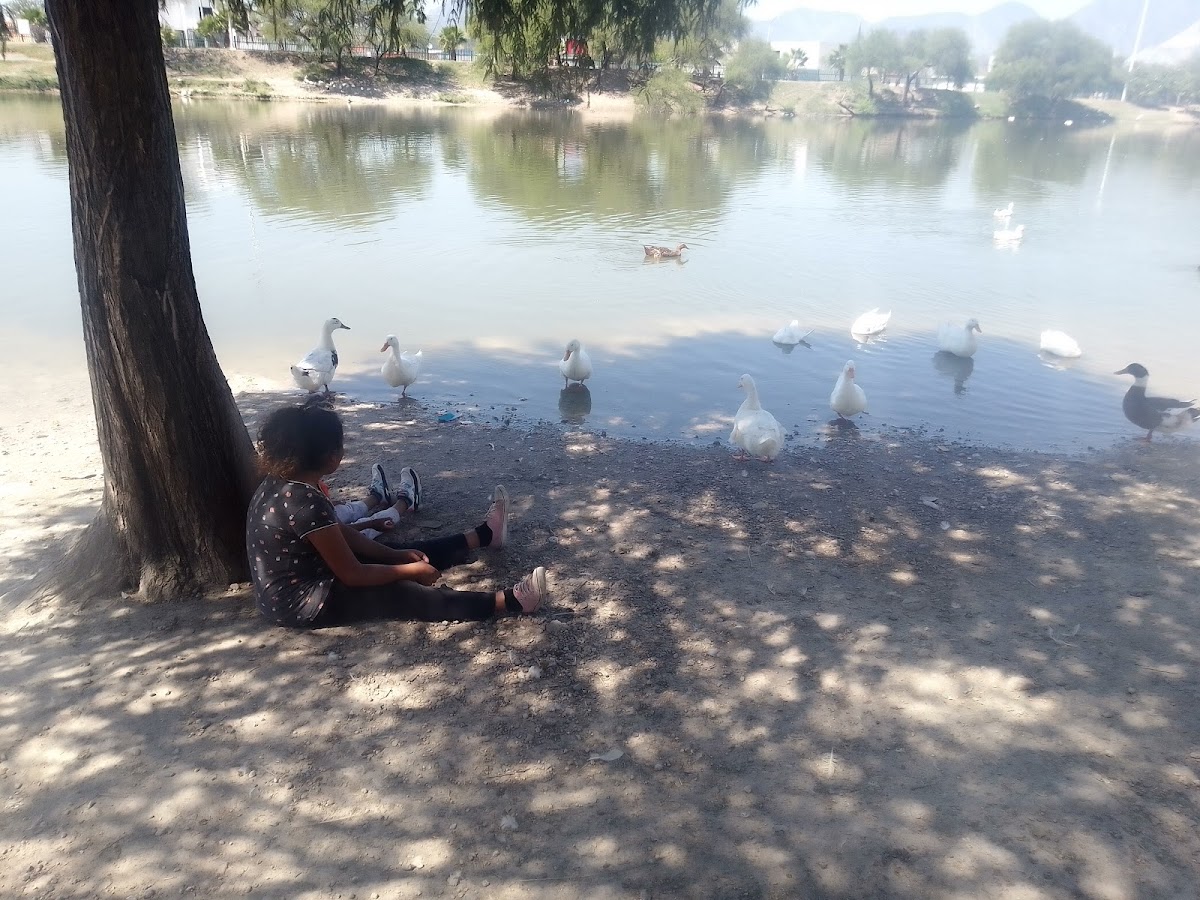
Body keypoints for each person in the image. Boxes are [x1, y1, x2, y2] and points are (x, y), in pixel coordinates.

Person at [246, 403, 548, 628]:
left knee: (403, 551)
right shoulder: (304, 502)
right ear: (332, 457)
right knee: (397, 593)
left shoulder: (285, 481)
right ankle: (509, 601)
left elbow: (339, 533)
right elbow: (353, 574)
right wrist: (408, 571)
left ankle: (483, 536)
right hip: (300, 602)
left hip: (310, 573)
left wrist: (396, 556)